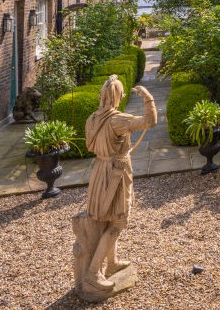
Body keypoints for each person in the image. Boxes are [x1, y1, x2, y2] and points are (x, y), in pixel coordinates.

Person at [81, 75, 157, 291]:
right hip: (114, 174)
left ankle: (112, 264)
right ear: (117, 96)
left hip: (99, 171)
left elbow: (89, 146)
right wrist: (148, 98)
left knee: (109, 219)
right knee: (118, 223)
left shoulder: (92, 119)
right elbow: (149, 122)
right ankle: (93, 273)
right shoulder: (117, 120)